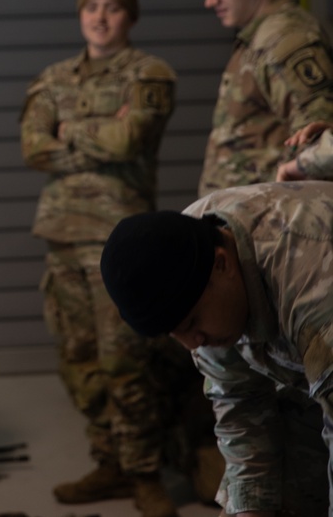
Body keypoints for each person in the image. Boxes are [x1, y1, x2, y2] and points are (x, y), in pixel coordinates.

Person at [19, 0, 180, 516]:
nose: (101, 17)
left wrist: (70, 133)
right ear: (81, 15)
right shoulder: (52, 78)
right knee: (79, 358)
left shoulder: (149, 74)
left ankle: (145, 473)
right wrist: (96, 134)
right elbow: (33, 147)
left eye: (114, 8)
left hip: (119, 238)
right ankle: (108, 463)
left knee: (125, 361)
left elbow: (130, 138)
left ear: (130, 18)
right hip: (62, 236)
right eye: (93, 8)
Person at [100, 180, 333, 516]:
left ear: (223, 264)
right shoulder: (186, 253)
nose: (193, 343)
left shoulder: (315, 287)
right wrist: (251, 509)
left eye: (193, 323)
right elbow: (242, 402)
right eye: (175, 332)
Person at [193, 0, 333, 198]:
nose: (209, 1)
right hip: (249, 221)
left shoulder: (286, 40)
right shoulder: (260, 36)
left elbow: (317, 134)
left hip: (267, 228)